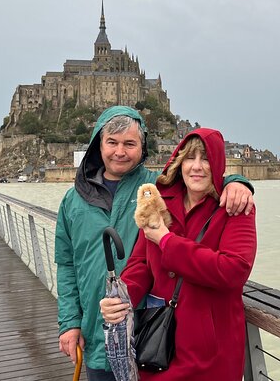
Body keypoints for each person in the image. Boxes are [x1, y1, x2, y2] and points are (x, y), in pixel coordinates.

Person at [55, 106, 254, 381]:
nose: (119, 152)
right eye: (111, 143)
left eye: (129, 144)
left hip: (149, 337)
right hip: (97, 329)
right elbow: (66, 265)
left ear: (142, 147)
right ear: (97, 146)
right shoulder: (72, 200)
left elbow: (196, 175)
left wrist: (237, 182)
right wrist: (70, 323)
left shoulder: (155, 190)